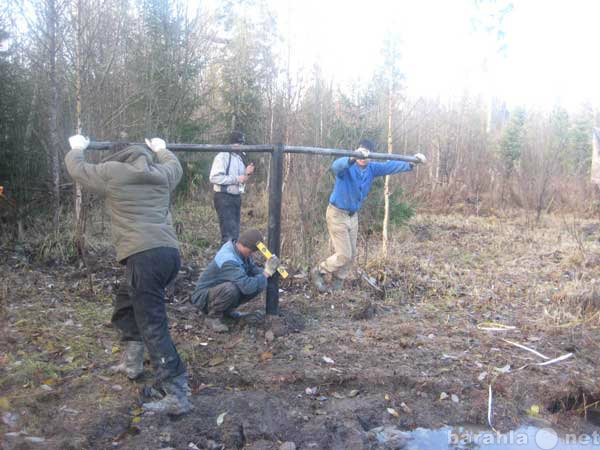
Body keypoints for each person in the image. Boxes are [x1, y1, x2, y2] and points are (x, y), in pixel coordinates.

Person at [65, 135, 193, 416]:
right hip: (168, 254)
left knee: (153, 324)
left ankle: (176, 393)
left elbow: (79, 170)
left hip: (143, 256)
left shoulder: (112, 172)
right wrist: (162, 148)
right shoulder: (160, 173)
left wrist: (76, 148)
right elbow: (176, 167)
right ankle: (133, 362)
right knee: (126, 302)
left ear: (117, 155)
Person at [311, 139, 427, 293]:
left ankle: (336, 285)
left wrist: (412, 162)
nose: (362, 157)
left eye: (365, 155)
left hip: (353, 216)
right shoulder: (347, 167)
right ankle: (319, 271)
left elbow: (389, 166)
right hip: (337, 214)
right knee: (344, 254)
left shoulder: (372, 168)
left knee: (351, 256)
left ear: (371, 156)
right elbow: (336, 166)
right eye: (359, 153)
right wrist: (352, 157)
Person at [191, 229, 280, 332]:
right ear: (245, 246)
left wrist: (270, 270)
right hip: (203, 298)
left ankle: (227, 312)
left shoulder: (240, 252)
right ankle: (213, 317)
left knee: (258, 282)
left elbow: (253, 270)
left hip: (216, 293)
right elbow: (247, 287)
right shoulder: (229, 259)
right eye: (251, 251)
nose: (252, 254)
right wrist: (266, 273)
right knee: (232, 288)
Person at [210, 131, 255, 244]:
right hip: (224, 197)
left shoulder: (239, 159)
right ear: (232, 143)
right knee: (228, 236)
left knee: (234, 233)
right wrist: (237, 178)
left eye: (242, 143)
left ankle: (231, 259)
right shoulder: (222, 156)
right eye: (239, 143)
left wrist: (247, 174)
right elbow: (214, 177)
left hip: (236, 197)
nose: (241, 146)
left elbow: (241, 180)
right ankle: (226, 260)